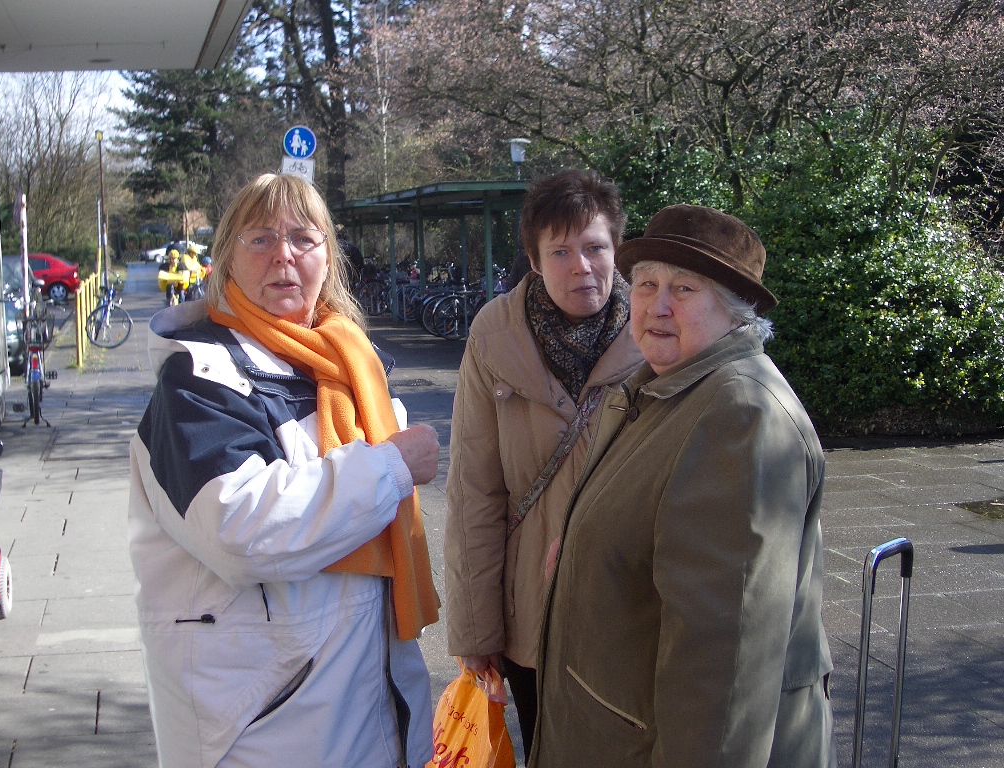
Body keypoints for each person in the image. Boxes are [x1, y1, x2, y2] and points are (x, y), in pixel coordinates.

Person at [129, 173, 441, 768]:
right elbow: (244, 530)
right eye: (260, 238)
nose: (283, 255)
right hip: (263, 730)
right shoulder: (196, 380)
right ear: (227, 256)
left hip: (365, 711)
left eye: (302, 237)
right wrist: (391, 467)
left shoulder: (347, 364)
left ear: (328, 255)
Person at [530, 205, 836, 768]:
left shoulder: (739, 417)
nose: (658, 306)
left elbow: (724, 666)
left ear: (735, 312)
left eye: (685, 289)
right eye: (647, 285)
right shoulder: (666, 388)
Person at [444, 169, 643, 761]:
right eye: (560, 251)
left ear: (617, 250)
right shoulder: (494, 335)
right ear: (533, 260)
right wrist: (476, 630)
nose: (582, 266)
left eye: (595, 247)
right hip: (531, 613)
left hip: (629, 609)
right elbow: (475, 491)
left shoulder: (656, 329)